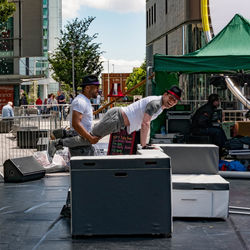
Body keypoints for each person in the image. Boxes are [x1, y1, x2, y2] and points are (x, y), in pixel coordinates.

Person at [48, 85, 182, 157]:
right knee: (90, 139)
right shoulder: (155, 104)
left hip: (118, 121)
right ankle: (58, 143)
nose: (171, 102)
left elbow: (147, 123)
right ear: (165, 94)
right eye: (170, 98)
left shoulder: (160, 106)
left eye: (174, 101)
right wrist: (144, 145)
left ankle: (62, 134)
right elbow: (145, 123)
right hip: (116, 119)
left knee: (90, 136)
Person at [49, 75, 101, 158]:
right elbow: (76, 124)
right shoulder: (80, 101)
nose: (98, 90)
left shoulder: (85, 100)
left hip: (83, 142)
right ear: (87, 88)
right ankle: (58, 142)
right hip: (80, 145)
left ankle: (61, 136)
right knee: (82, 169)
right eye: (96, 87)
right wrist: (90, 138)